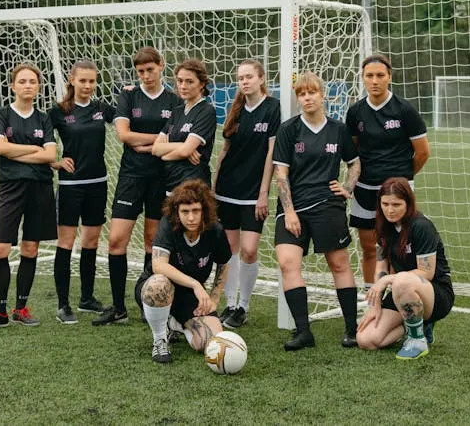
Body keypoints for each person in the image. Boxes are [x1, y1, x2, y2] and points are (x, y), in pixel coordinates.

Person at [93, 47, 182, 326]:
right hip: (131, 176)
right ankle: (118, 307)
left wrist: (148, 142)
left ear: (161, 66)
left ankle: (147, 302)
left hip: (162, 177)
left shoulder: (174, 100)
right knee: (117, 240)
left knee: (151, 241)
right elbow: (123, 135)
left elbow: (174, 138)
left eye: (150, 70)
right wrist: (157, 140)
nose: (145, 76)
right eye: (141, 71)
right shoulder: (128, 95)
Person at [273, 71, 361, 350]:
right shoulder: (288, 130)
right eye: (301, 93)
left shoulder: (338, 129)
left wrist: (347, 187)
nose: (307, 97)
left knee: (339, 264)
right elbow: (281, 174)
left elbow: (355, 163)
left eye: (312, 92)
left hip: (327, 205)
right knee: (288, 263)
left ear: (323, 95)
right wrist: (289, 212)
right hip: (293, 207)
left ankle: (351, 329)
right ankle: (303, 332)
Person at [0, 63, 57, 331]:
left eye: (33, 81)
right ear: (13, 85)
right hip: (10, 188)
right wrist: (33, 149)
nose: (28, 85)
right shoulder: (1, 114)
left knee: (31, 248)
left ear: (38, 86)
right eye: (22, 81)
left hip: (40, 189)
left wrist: (16, 151)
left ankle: (21, 308)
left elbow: (50, 156)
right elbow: (0, 148)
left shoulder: (43, 118)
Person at [346, 54, 430, 291]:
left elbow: (423, 152)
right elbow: (354, 152)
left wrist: (401, 179)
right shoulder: (355, 112)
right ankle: (369, 293)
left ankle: (396, 294)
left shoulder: (405, 110)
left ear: (389, 77)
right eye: (369, 76)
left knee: (397, 245)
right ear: (363, 79)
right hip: (365, 188)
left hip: (396, 191)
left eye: (380, 75)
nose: (375, 81)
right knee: (368, 246)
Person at [212, 59, 281, 329]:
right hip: (227, 190)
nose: (244, 81)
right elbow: (224, 152)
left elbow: (271, 155)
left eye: (249, 76)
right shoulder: (236, 110)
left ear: (261, 78)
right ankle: (230, 304)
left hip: (254, 194)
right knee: (229, 249)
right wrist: (214, 188)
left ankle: (244, 306)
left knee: (249, 251)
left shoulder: (272, 109)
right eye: (241, 78)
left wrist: (264, 192)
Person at [48, 60, 115, 324]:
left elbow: (128, 115)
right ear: (72, 80)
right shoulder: (59, 111)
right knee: (65, 244)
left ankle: (86, 298)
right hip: (70, 186)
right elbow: (38, 138)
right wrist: (54, 162)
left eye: (92, 81)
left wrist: (131, 92)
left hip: (98, 183)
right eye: (83, 81)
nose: (87, 86)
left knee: (90, 243)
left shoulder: (101, 109)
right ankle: (63, 305)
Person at [356, 177, 454, 359]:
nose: (390, 210)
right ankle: (419, 325)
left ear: (408, 203)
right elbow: (381, 267)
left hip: (435, 293)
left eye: (396, 204)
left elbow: (427, 272)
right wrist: (375, 306)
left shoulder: (421, 226)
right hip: (402, 292)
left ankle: (417, 340)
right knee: (366, 340)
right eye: (385, 204)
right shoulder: (383, 226)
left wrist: (388, 279)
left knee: (401, 280)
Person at [136, 179, 232, 363]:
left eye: (196, 211)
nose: (190, 218)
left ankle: (175, 324)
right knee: (159, 283)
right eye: (185, 212)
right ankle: (160, 339)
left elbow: (224, 262)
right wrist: (196, 284)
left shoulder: (215, 230)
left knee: (209, 342)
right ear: (176, 212)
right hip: (156, 290)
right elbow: (159, 265)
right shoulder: (168, 225)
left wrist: (214, 297)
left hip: (188, 295)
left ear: (204, 210)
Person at [151, 58, 217, 191]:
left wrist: (166, 155)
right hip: (171, 182)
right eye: (180, 80)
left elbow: (186, 151)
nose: (183, 86)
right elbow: (155, 148)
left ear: (202, 84)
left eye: (189, 81)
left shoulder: (206, 110)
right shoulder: (177, 111)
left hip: (194, 185)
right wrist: (182, 146)